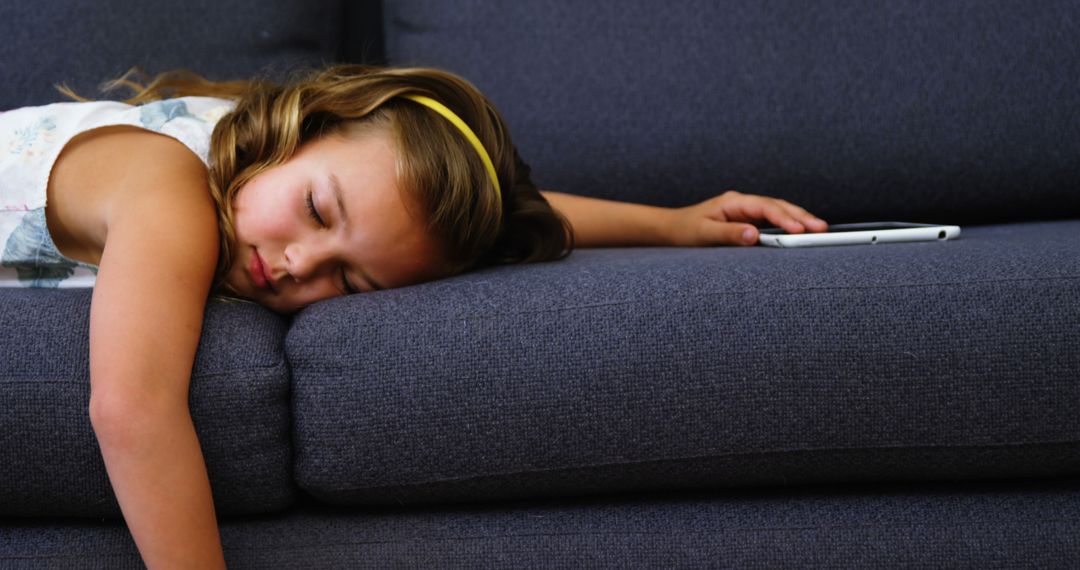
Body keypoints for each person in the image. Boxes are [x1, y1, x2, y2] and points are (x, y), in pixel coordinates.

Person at [0, 65, 828, 566]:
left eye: (350, 282)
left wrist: (674, 224)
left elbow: (497, 216)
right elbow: (131, 408)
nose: (294, 265)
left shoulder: (283, 171)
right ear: (304, 127)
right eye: (318, 213)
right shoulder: (171, 192)